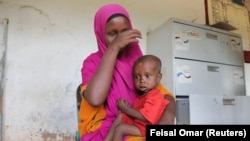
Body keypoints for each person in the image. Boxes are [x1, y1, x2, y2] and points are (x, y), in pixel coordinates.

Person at [78, 3, 176, 141]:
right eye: (112, 34)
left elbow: (163, 94)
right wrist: (114, 47)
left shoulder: (136, 60)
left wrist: (168, 116)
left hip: (135, 120)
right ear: (100, 34)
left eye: (125, 32)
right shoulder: (91, 62)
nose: (121, 39)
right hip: (105, 129)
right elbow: (95, 99)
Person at [104, 55, 170, 141]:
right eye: (137, 77)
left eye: (147, 76)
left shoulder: (156, 96)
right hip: (140, 124)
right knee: (121, 116)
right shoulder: (144, 94)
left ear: (158, 78)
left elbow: (145, 117)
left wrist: (126, 109)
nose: (141, 80)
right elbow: (138, 110)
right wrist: (127, 108)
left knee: (120, 129)